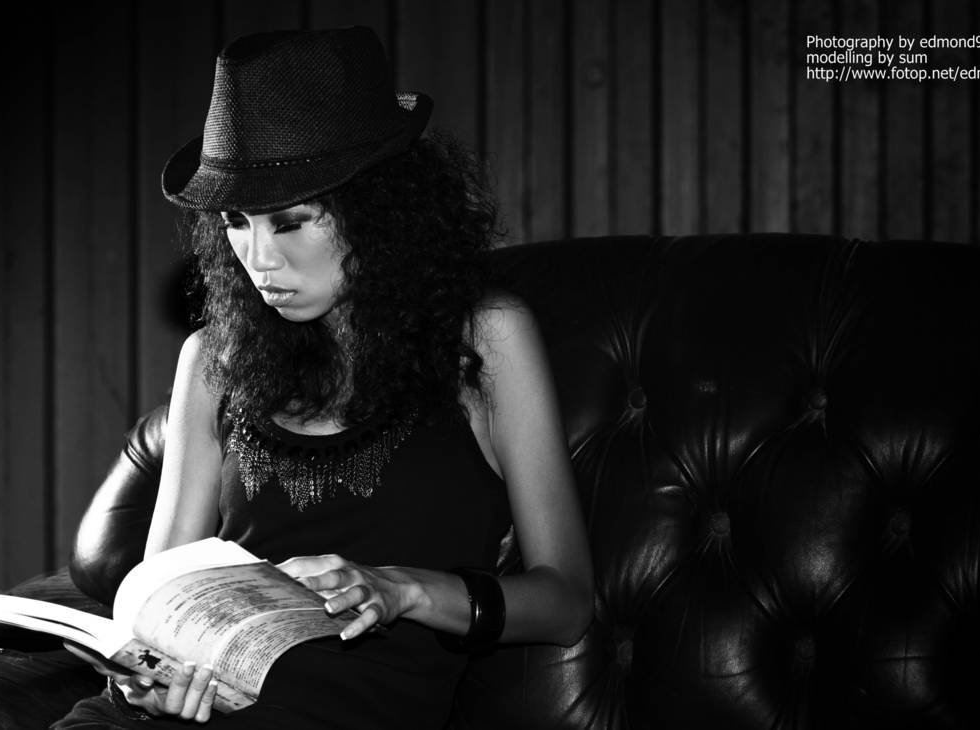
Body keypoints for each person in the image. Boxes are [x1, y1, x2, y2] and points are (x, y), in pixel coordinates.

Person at [55, 26, 592, 729]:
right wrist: (144, 683)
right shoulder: (213, 359)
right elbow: (158, 606)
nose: (257, 258)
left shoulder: (486, 339)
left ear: (380, 211)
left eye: (289, 222)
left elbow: (566, 601)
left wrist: (405, 590)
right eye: (237, 222)